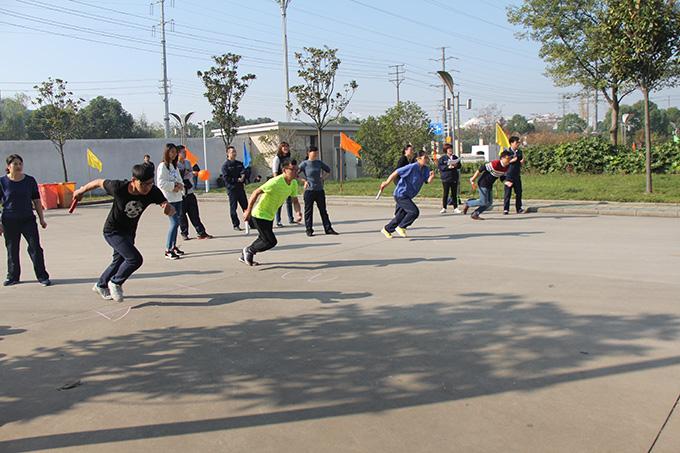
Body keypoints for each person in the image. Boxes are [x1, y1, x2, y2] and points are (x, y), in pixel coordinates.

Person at [73, 164, 175, 302]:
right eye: (144, 184)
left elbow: (167, 206)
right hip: (112, 231)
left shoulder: (152, 191)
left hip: (129, 232)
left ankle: (100, 285)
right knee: (134, 259)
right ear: (134, 180)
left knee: (119, 260)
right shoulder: (118, 187)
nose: (147, 187)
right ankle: (115, 282)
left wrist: (168, 208)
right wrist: (81, 191)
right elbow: (98, 182)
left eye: (150, 183)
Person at [0, 154, 50, 287]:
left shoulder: (30, 181)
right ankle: (12, 276)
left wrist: (42, 219)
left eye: (20, 164)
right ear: (8, 166)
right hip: (9, 220)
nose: (18, 166)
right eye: (15, 164)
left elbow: (37, 200)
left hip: (27, 219)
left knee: (35, 248)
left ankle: (42, 276)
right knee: (12, 249)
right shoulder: (2, 182)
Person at [240, 159, 303, 266]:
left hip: (269, 215)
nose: (296, 172)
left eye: (297, 169)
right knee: (271, 241)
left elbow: (295, 200)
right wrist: (248, 211)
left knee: (263, 238)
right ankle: (249, 250)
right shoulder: (275, 182)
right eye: (293, 169)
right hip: (259, 214)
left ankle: (245, 254)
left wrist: (298, 212)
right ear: (284, 170)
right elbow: (256, 192)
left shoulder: (293, 183)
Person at [379, 151, 435, 239]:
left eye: (427, 158)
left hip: (408, 196)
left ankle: (387, 229)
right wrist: (386, 182)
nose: (426, 160)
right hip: (401, 194)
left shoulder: (426, 169)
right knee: (414, 212)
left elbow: (427, 181)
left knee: (400, 216)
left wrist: (431, 177)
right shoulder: (412, 167)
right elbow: (396, 172)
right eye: (425, 158)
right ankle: (401, 227)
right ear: (418, 159)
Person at [298, 146, 339, 237]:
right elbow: (295, 174)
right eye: (314, 152)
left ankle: (328, 228)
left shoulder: (319, 163)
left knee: (323, 210)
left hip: (319, 190)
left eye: (316, 152)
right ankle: (309, 229)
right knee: (308, 211)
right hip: (309, 191)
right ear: (309, 153)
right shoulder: (304, 164)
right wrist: (304, 181)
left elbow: (328, 170)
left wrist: (322, 178)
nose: (315, 154)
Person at [463, 150, 513, 220]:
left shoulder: (506, 167)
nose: (509, 160)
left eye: (510, 158)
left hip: (489, 184)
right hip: (483, 183)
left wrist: (506, 182)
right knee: (483, 202)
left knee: (489, 203)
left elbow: (501, 177)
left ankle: (475, 214)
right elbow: (481, 169)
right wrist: (473, 178)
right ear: (502, 158)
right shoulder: (495, 163)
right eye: (508, 158)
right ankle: (468, 203)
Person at [156, 143, 185, 259]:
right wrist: (173, 186)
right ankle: (168, 249)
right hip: (169, 199)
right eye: (171, 152)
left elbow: (180, 180)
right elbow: (161, 183)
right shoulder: (163, 166)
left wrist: (180, 185)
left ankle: (173, 246)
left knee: (177, 223)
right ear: (167, 152)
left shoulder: (174, 166)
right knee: (174, 223)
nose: (174, 154)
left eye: (175, 152)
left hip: (178, 198)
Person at [177, 146, 212, 240]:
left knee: (195, 214)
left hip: (190, 191)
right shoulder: (175, 165)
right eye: (183, 152)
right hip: (180, 194)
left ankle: (201, 232)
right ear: (178, 153)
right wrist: (190, 173)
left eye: (185, 152)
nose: (185, 154)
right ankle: (184, 233)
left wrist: (192, 173)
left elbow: (189, 174)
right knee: (182, 215)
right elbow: (179, 176)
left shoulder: (188, 162)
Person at [221, 145, 254, 231]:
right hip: (232, 189)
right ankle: (236, 224)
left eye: (235, 152)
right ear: (228, 153)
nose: (234, 153)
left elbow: (243, 171)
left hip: (240, 189)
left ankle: (251, 223)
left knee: (246, 207)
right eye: (232, 152)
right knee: (233, 208)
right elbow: (226, 178)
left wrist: (243, 176)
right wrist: (236, 179)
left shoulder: (239, 163)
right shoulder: (225, 166)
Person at [271, 141, 295, 227]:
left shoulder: (289, 158)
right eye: (284, 147)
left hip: (288, 181)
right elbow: (275, 171)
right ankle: (278, 220)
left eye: (287, 147)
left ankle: (291, 219)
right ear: (280, 148)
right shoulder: (277, 158)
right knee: (279, 202)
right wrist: (277, 182)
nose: (286, 148)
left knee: (289, 200)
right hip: (280, 181)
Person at [503, 136, 525, 214]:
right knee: (507, 193)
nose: (518, 144)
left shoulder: (519, 152)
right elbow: (504, 162)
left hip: (517, 175)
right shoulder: (506, 152)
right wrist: (512, 160)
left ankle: (519, 208)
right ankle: (506, 209)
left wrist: (522, 162)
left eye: (519, 142)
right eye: (516, 142)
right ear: (511, 143)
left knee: (519, 192)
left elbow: (520, 161)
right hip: (509, 175)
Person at [438, 143, 462, 214]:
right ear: (446, 150)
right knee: (446, 193)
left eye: (451, 148)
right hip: (446, 178)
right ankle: (444, 207)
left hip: (454, 177)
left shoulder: (455, 157)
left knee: (454, 193)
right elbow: (441, 167)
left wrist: (456, 165)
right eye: (449, 149)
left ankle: (455, 208)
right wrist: (448, 167)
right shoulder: (442, 158)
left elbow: (459, 166)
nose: (450, 150)